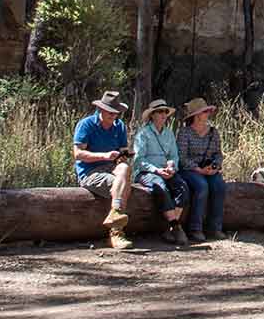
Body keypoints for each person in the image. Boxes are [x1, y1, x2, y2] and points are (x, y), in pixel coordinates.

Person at [71, 90, 134, 250]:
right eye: (110, 112)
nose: (113, 116)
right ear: (101, 109)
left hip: (112, 168)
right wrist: (105, 156)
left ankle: (115, 213)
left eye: (116, 113)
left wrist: (124, 155)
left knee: (125, 168)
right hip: (90, 172)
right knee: (122, 185)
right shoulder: (86, 124)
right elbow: (78, 154)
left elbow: (122, 153)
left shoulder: (119, 126)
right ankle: (116, 233)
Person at [132, 99, 190, 245]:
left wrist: (171, 167)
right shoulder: (143, 134)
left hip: (166, 171)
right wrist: (156, 170)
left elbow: (173, 156)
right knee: (160, 187)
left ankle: (170, 228)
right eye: (160, 112)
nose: (164, 114)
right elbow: (138, 160)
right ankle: (176, 227)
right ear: (152, 115)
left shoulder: (169, 134)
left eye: (165, 111)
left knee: (182, 187)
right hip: (146, 172)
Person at [177, 97, 226, 242]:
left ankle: (215, 228)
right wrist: (198, 169)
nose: (208, 114)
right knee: (202, 186)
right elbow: (181, 157)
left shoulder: (213, 132)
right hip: (189, 170)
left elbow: (218, 153)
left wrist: (215, 167)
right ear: (197, 115)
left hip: (208, 170)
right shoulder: (184, 133)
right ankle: (195, 229)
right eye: (205, 112)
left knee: (219, 186)